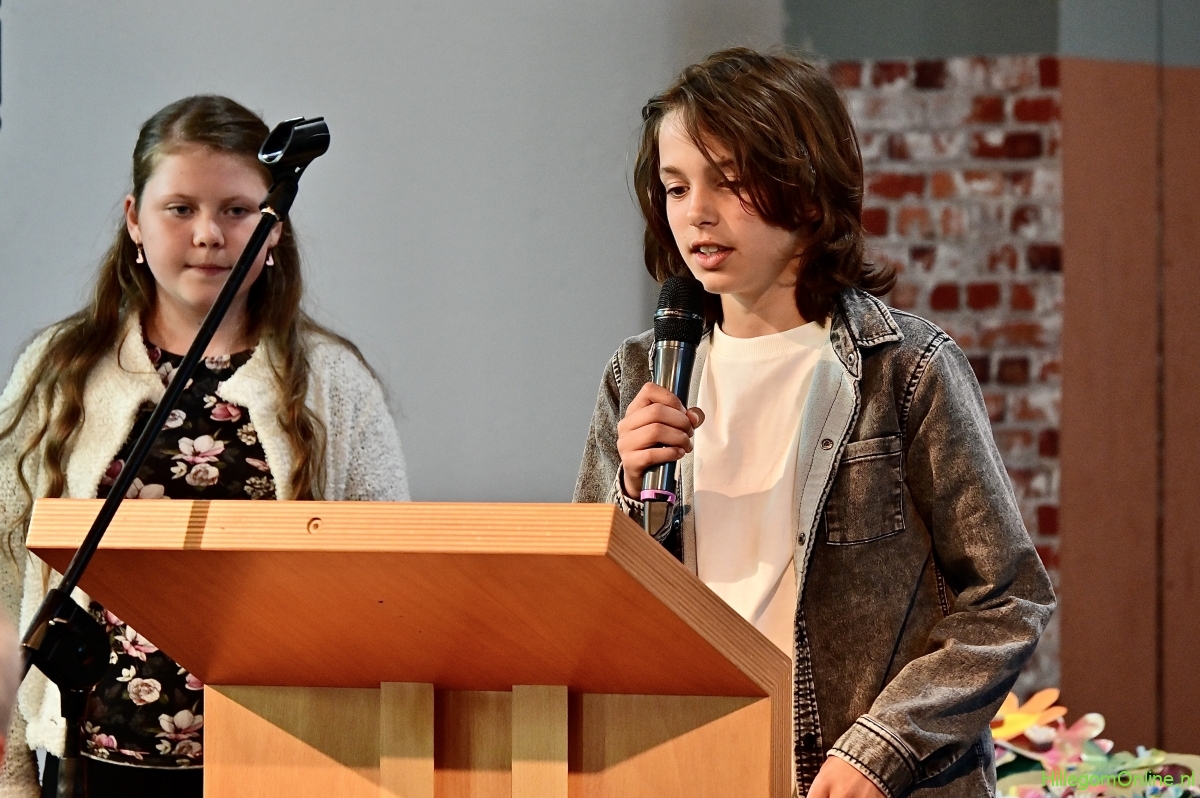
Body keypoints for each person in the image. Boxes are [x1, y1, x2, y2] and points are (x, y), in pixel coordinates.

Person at [574, 49, 1055, 798]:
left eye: (729, 181)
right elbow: (590, 618)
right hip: (694, 767)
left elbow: (1007, 599)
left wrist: (885, 746)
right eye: (676, 187)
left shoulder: (905, 368)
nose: (697, 212)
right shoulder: (639, 375)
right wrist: (632, 499)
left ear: (806, 187)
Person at [0, 95, 409, 798]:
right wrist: (11, 773)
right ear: (135, 219)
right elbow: (9, 572)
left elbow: (384, 582)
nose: (209, 235)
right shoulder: (59, 368)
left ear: (274, 228)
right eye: (180, 208)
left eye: (237, 210)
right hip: (92, 766)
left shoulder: (333, 382)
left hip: (283, 763)